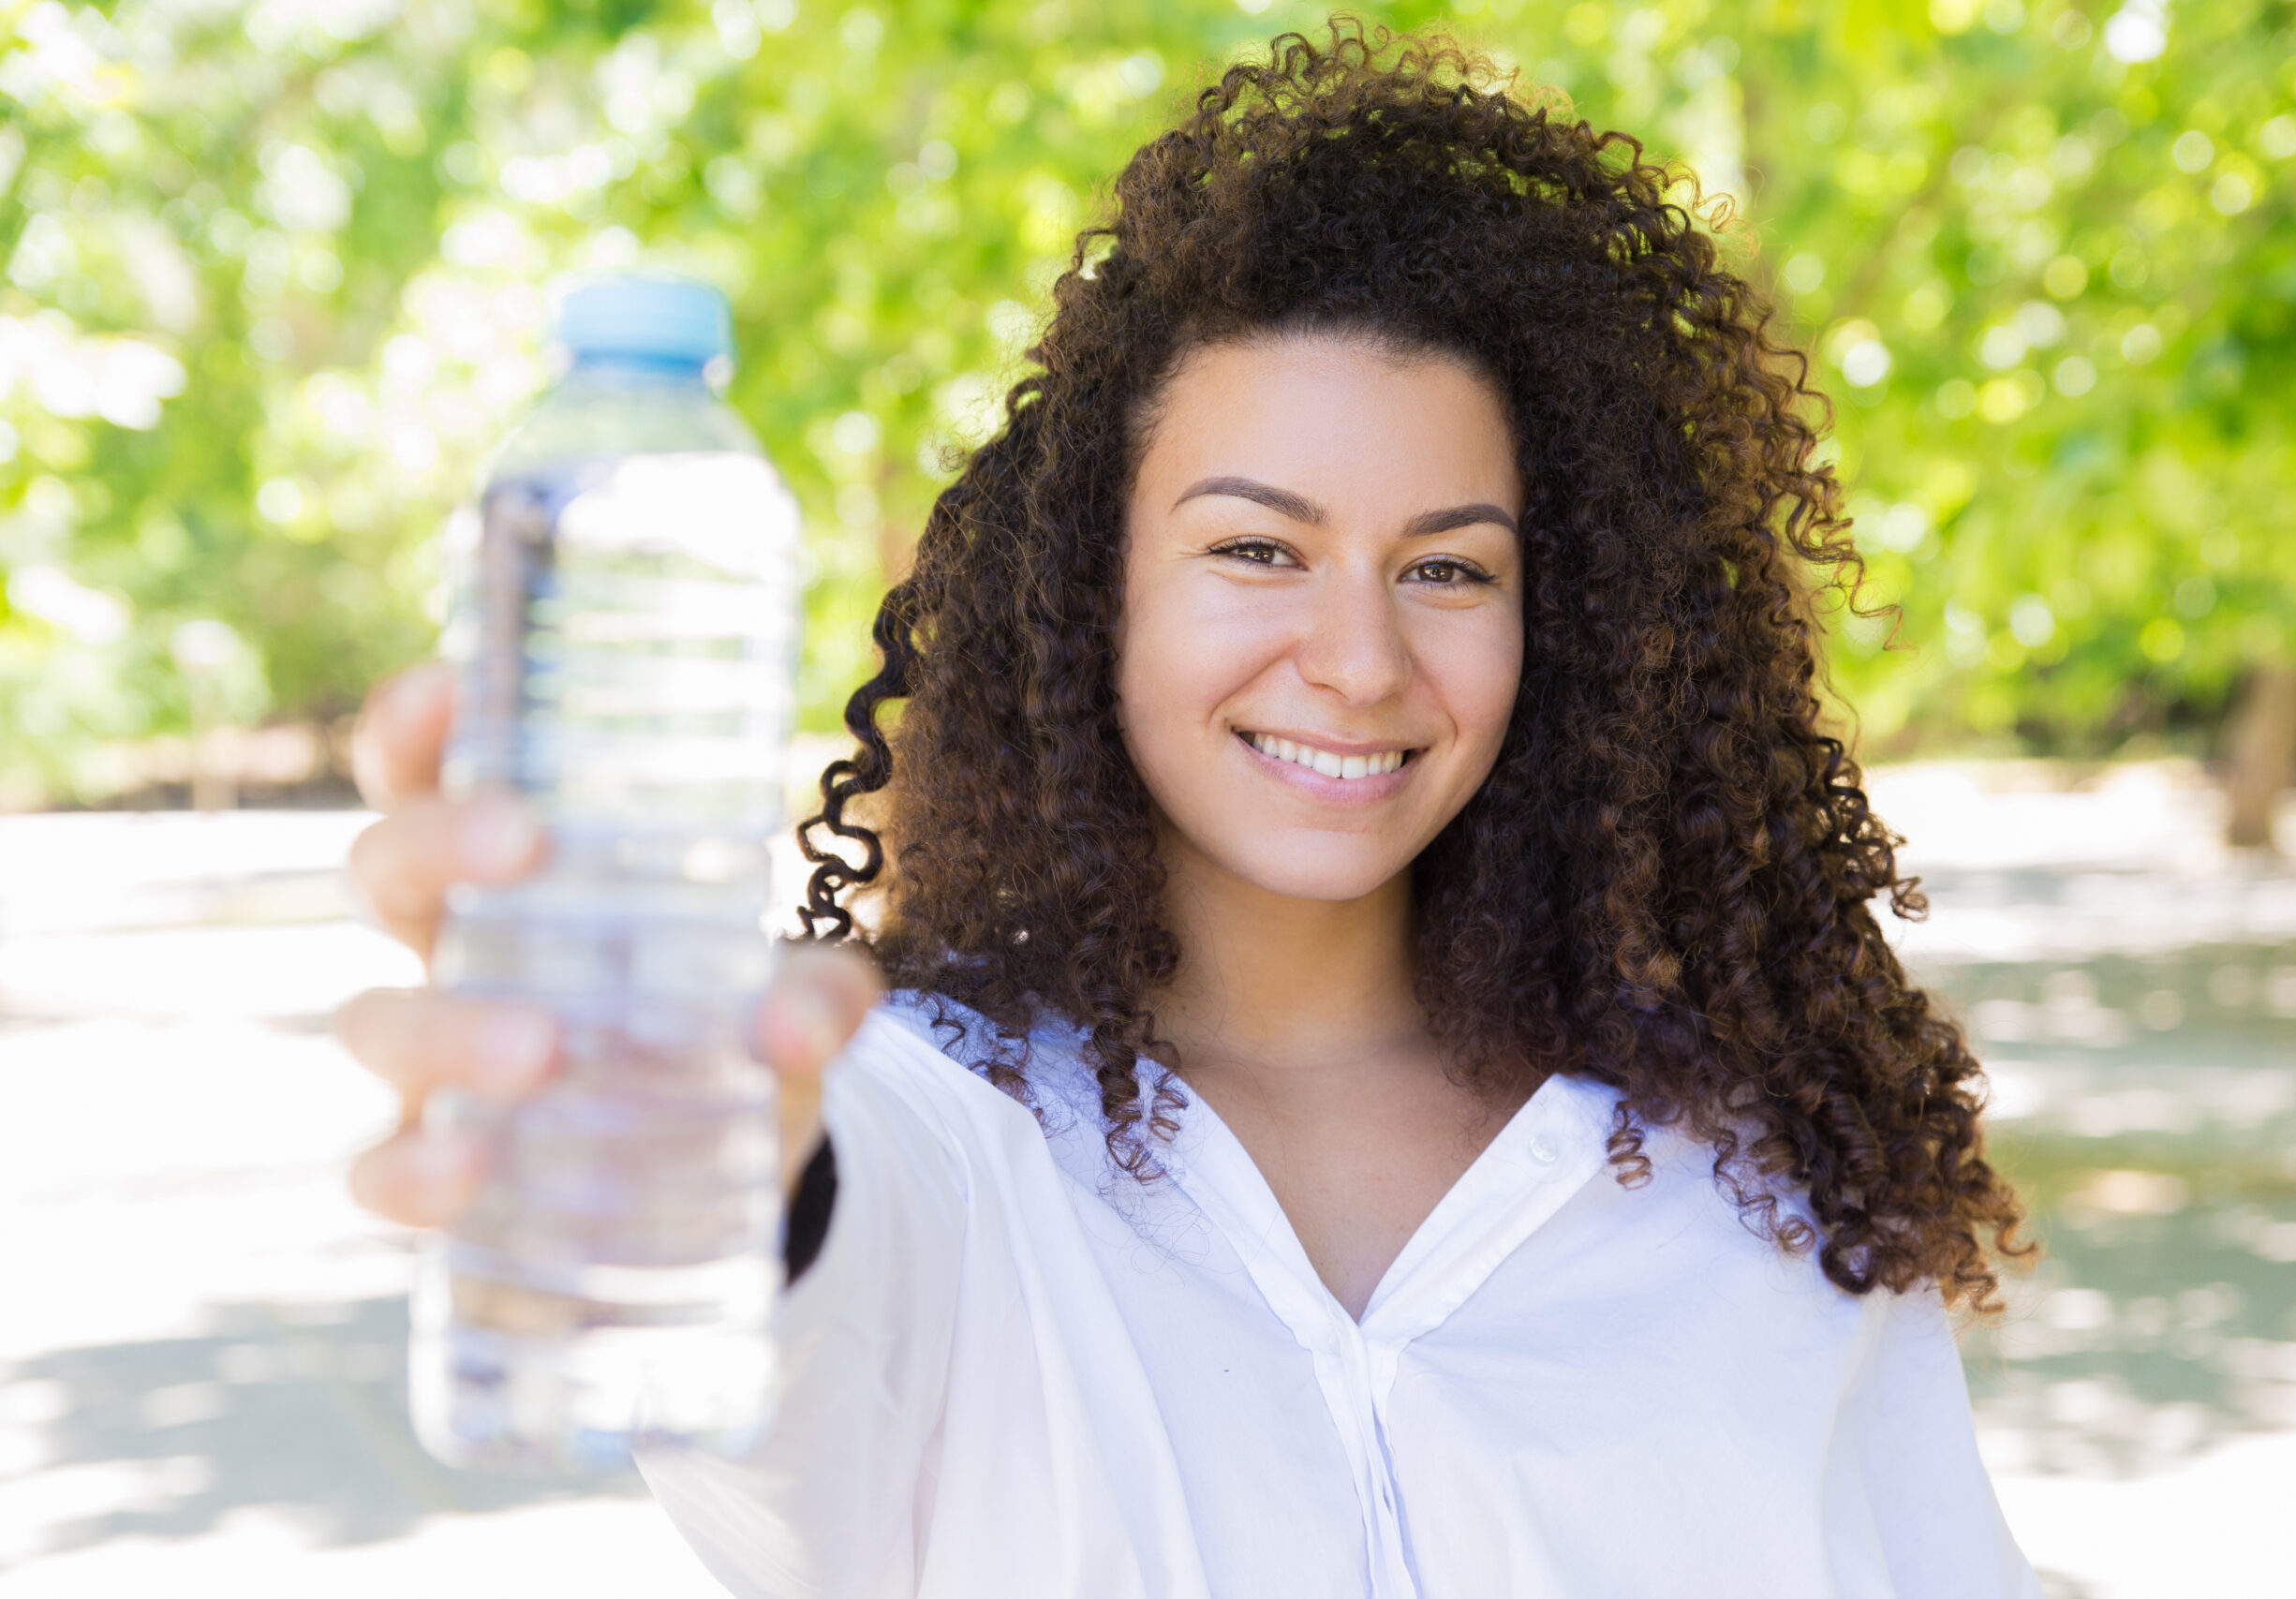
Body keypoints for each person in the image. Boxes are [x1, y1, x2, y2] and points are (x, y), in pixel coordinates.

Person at [339, 25, 2043, 1599]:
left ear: (1567, 626)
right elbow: (792, 1274)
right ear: (1096, 593)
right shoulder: (934, 1135)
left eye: (1449, 568)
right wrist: (691, 1149)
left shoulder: (1754, 1188)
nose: (1359, 660)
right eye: (1255, 548)